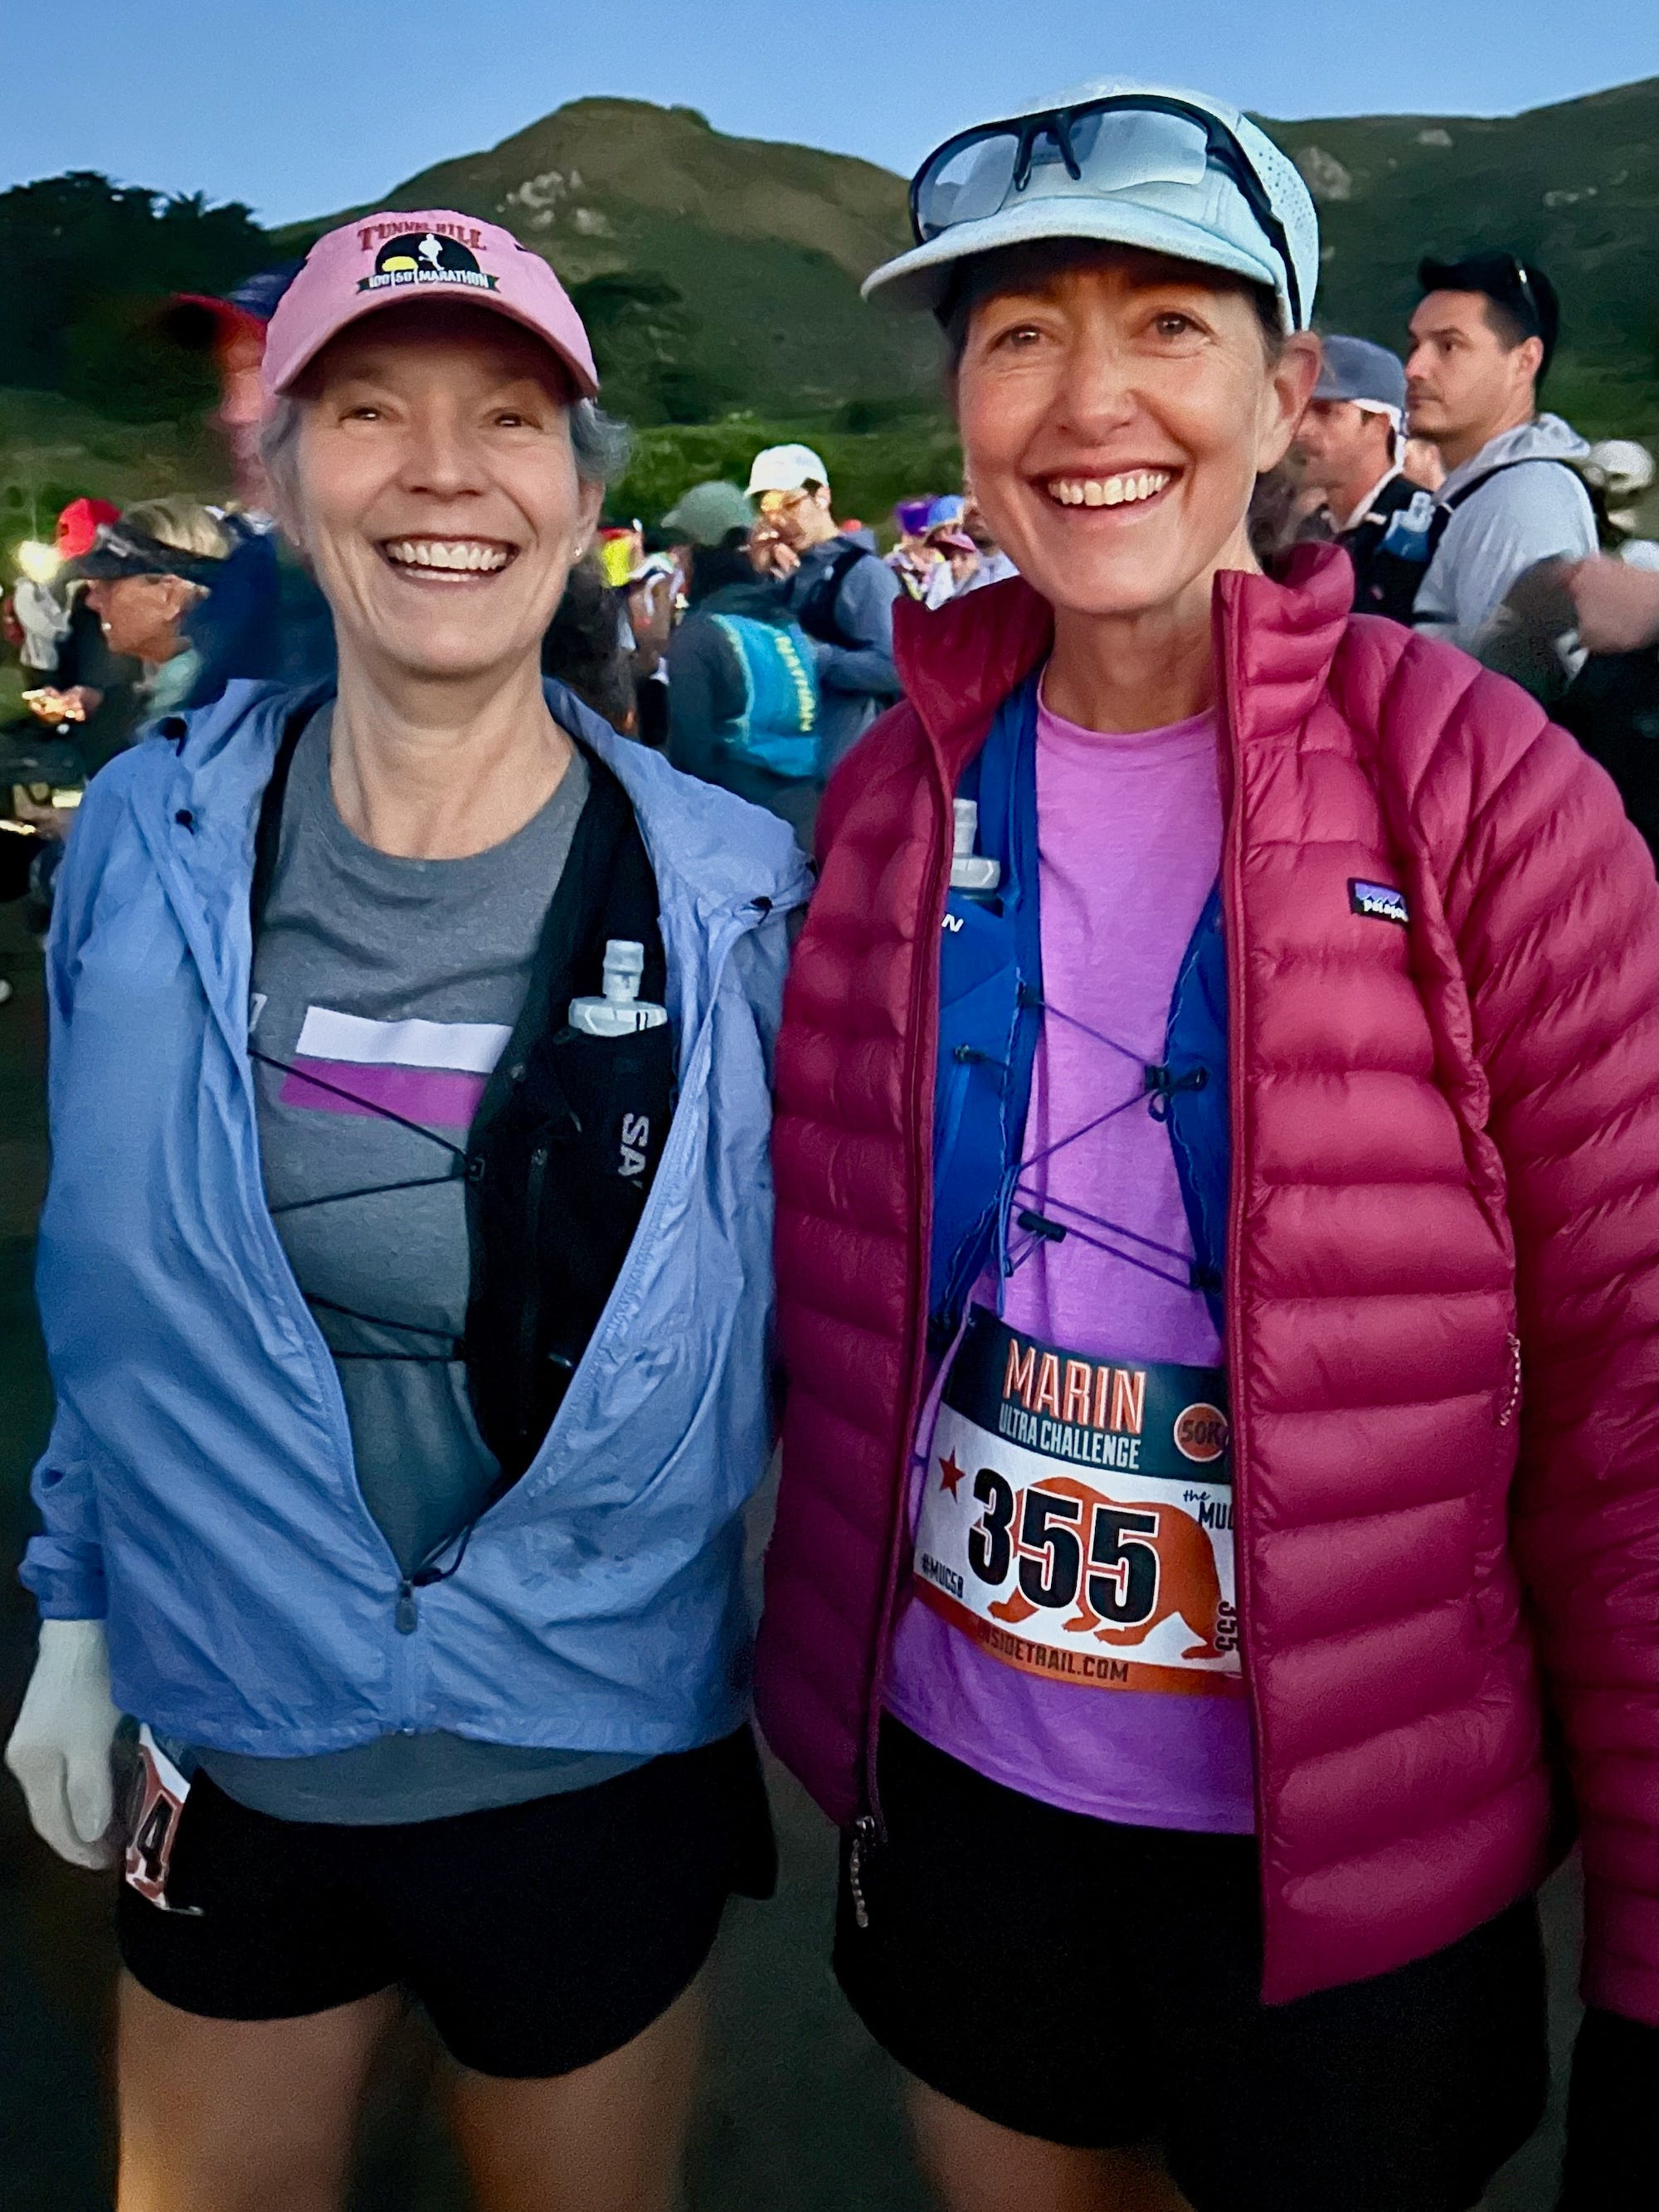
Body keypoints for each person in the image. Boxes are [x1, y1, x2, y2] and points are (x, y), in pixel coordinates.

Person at [755, 78, 1657, 2212]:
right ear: (964, 412)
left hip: (1357, 1847)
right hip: (968, 1788)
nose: (1090, 403)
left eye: (1164, 324)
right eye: (1018, 337)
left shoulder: (1483, 787)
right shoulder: (889, 800)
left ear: (1279, 395)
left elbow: (1627, 1387)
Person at [4, 205, 808, 2212]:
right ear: (278, 483)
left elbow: (829, 1316)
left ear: (582, 499)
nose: (443, 470)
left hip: (593, 1749)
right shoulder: (148, 841)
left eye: (508, 418)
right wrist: (75, 1607)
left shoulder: (733, 893)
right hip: (232, 1718)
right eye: (367, 412)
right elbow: (107, 1277)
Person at [1404, 250, 1597, 647]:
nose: (1413, 369)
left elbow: (1522, 681)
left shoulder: (1522, 500)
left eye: (1449, 346)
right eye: (1415, 345)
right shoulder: (1489, 492)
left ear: (1525, 361)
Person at [663, 479, 822, 843]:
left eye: (683, 548)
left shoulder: (700, 636)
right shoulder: (786, 622)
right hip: (809, 822)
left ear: (700, 551)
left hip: (737, 834)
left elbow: (691, 759)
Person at [746, 440, 902, 772]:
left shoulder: (865, 574)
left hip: (851, 763)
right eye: (768, 510)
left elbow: (895, 667)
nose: (779, 520)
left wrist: (816, 658)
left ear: (822, 496)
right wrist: (757, 577)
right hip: (796, 765)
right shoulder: (792, 575)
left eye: (789, 504)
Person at [1290, 333, 1423, 615]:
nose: (1300, 430)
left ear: (1378, 425)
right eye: (1299, 411)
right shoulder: (1305, 530)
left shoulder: (1420, 534)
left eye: (1325, 411)